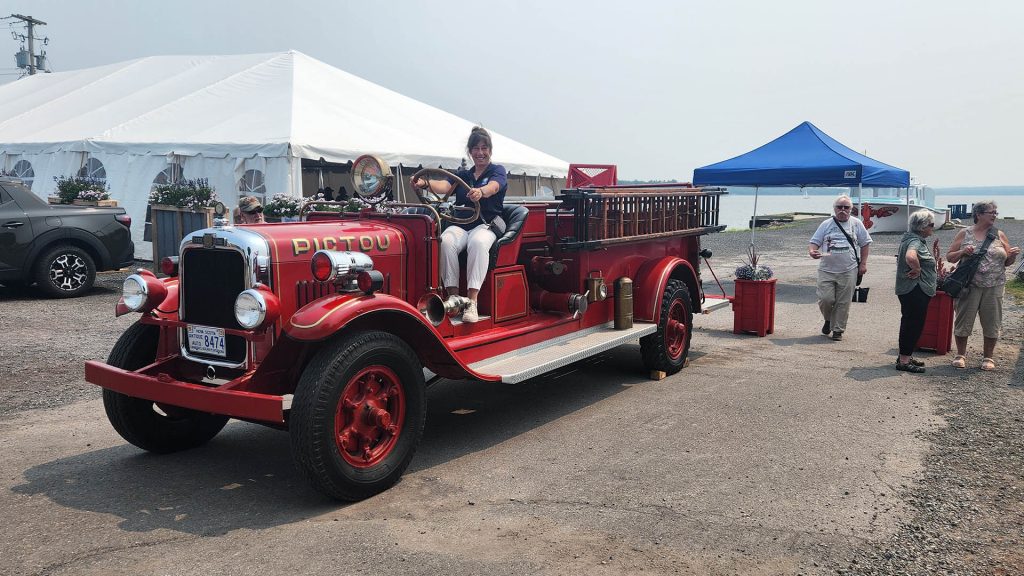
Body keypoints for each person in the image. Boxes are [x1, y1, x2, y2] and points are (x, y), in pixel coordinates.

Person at [410, 126, 507, 323]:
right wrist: (424, 183)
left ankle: (472, 301)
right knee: (445, 240)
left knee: (479, 243)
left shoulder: (497, 171)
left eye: (484, 148)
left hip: (485, 224)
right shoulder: (463, 174)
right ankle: (454, 297)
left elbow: (494, 186)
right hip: (462, 223)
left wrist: (481, 192)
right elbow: (445, 187)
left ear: (490, 150)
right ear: (470, 152)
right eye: (476, 149)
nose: (480, 153)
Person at [945, 200, 1021, 370]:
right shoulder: (965, 234)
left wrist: (1013, 256)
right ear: (978, 214)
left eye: (996, 212)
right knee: (964, 321)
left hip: (994, 286)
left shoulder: (999, 234)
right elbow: (950, 257)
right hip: (969, 285)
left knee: (992, 321)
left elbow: (1007, 261)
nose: (994, 215)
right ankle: (960, 354)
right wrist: (963, 251)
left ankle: (988, 357)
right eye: (991, 212)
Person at [808, 195, 872, 341]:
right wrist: (812, 251)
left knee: (843, 302)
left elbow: (865, 243)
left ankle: (838, 330)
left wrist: (863, 264)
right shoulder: (826, 224)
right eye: (839, 207)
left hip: (849, 269)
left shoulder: (856, 224)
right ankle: (828, 320)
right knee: (825, 299)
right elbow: (814, 242)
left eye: (846, 207)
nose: (842, 210)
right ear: (834, 208)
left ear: (851, 209)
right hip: (826, 269)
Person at [894, 211, 938, 373]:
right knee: (913, 324)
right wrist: (917, 268)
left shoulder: (911, 238)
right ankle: (904, 361)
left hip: (911, 290)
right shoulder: (915, 242)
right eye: (931, 225)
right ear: (922, 227)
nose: (933, 228)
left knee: (910, 322)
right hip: (915, 289)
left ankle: (905, 356)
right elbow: (910, 256)